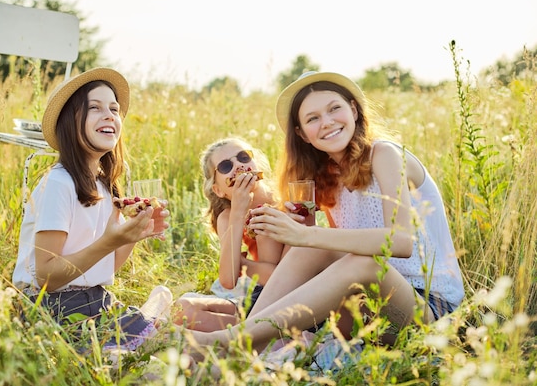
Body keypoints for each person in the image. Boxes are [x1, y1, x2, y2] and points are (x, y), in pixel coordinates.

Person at [187, 71, 465, 354]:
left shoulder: (385, 155)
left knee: (359, 261)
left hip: (428, 313)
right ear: (302, 134)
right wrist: (301, 232)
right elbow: (319, 256)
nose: (328, 122)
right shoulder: (326, 177)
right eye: (312, 118)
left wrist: (307, 234)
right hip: (367, 313)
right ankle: (247, 348)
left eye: (335, 109)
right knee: (314, 249)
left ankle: (231, 342)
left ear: (353, 110)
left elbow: (402, 242)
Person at [12, 67, 170, 351]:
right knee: (149, 354)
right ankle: (142, 326)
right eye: (95, 108)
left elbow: (105, 266)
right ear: (71, 123)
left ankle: (143, 324)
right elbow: (46, 276)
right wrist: (111, 240)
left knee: (169, 332)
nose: (109, 115)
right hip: (51, 309)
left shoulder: (105, 185)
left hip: (96, 300)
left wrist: (132, 235)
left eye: (114, 109)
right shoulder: (59, 183)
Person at [173, 137, 288, 331]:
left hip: (294, 292)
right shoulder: (228, 217)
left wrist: (242, 263)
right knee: (181, 310)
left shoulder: (283, 198)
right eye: (226, 166)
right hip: (261, 295)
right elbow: (228, 279)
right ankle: (260, 331)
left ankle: (261, 332)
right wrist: (238, 212)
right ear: (218, 190)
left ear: (256, 164)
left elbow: (276, 277)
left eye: (244, 157)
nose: (238, 166)